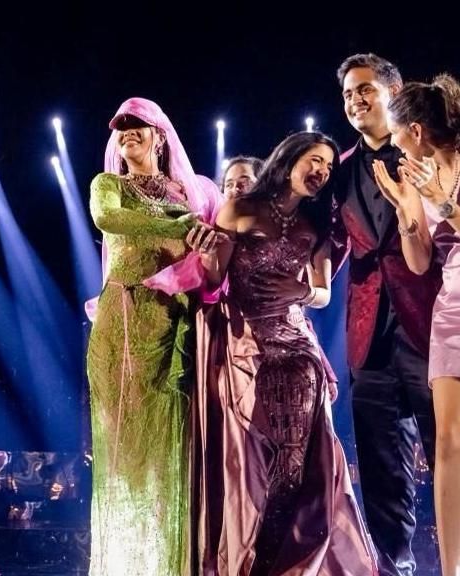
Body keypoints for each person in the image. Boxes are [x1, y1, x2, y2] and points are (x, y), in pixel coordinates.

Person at [191, 131, 376, 574]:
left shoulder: (314, 228)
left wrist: (301, 290)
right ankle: (245, 553)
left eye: (329, 167)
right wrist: (206, 255)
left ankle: (278, 562)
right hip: (244, 346)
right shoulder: (239, 209)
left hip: (296, 349)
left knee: (295, 464)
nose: (322, 171)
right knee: (248, 463)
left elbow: (323, 294)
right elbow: (215, 283)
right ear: (289, 159)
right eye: (315, 160)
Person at [85, 97, 220, 575]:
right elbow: (108, 219)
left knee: (175, 444)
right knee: (127, 450)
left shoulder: (195, 193)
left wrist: (199, 230)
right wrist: (180, 224)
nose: (128, 134)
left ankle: (174, 562)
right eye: (120, 128)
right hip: (122, 321)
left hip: (176, 324)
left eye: (138, 126)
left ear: (161, 135)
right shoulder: (109, 185)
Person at [333, 53, 441, 576]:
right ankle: (392, 568)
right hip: (367, 332)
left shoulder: (424, 153)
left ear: (393, 93)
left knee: (449, 450)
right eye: (348, 94)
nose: (355, 100)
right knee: (380, 468)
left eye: (365, 90)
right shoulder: (339, 170)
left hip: (428, 324)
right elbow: (327, 241)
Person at [373, 73, 460, 576]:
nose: (395, 143)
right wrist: (409, 215)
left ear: (417, 131)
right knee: (447, 442)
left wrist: (444, 203)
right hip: (451, 308)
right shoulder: (418, 180)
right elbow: (422, 263)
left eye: (397, 132)